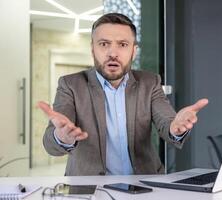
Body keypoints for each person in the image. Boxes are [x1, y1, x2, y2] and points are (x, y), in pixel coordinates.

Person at [38, 13, 208, 176]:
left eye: (122, 44)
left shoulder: (150, 82)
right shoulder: (70, 85)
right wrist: (62, 137)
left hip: (145, 185)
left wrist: (175, 128)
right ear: (92, 49)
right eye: (104, 44)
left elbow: (167, 122)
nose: (113, 53)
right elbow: (51, 143)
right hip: (89, 188)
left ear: (134, 51)